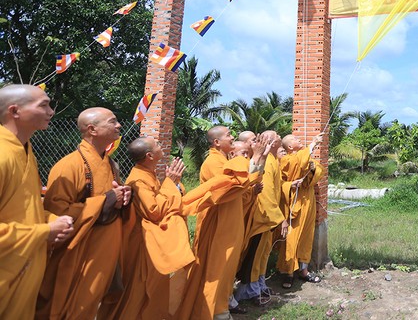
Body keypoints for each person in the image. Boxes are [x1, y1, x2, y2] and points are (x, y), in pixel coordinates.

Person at [37, 107, 132, 319]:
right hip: (80, 250)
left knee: (91, 304)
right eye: (112, 122)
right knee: (71, 306)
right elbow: (56, 212)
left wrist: (123, 196)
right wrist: (106, 201)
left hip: (104, 248)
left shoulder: (110, 164)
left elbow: (113, 196)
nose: (119, 126)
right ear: (92, 129)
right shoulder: (69, 165)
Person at [0, 85, 73, 319]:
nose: (51, 112)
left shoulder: (26, 151)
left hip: (22, 271)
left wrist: (50, 219)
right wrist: (44, 232)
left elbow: (24, 207)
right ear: (14, 111)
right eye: (44, 105)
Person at [101, 137, 194, 319]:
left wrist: (173, 184)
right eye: (158, 145)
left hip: (151, 240)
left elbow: (163, 198)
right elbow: (154, 211)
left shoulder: (147, 174)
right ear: (150, 155)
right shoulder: (138, 179)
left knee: (152, 288)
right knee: (140, 290)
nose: (162, 145)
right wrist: (170, 183)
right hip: (142, 243)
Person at [176, 126, 260, 320]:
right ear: (216, 142)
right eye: (229, 135)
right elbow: (231, 187)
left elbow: (240, 188)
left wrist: (256, 163)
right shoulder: (213, 162)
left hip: (228, 221)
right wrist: (255, 160)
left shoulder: (224, 159)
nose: (232, 137)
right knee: (215, 269)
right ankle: (212, 311)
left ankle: (220, 307)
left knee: (225, 268)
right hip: (217, 223)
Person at [235, 130, 287, 303]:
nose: (281, 136)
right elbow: (266, 193)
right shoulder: (265, 162)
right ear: (271, 141)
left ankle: (258, 285)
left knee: (263, 254)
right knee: (254, 254)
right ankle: (248, 290)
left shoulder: (272, 160)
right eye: (277, 135)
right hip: (262, 216)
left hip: (268, 216)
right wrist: (279, 218)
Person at [276, 133, 324, 288]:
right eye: (296, 140)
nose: (299, 140)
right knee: (291, 237)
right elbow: (296, 164)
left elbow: (317, 171)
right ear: (290, 146)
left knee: (306, 236)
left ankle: (304, 270)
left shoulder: (304, 156)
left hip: (307, 199)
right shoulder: (286, 159)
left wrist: (312, 169)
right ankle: (288, 272)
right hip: (293, 201)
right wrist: (313, 144)